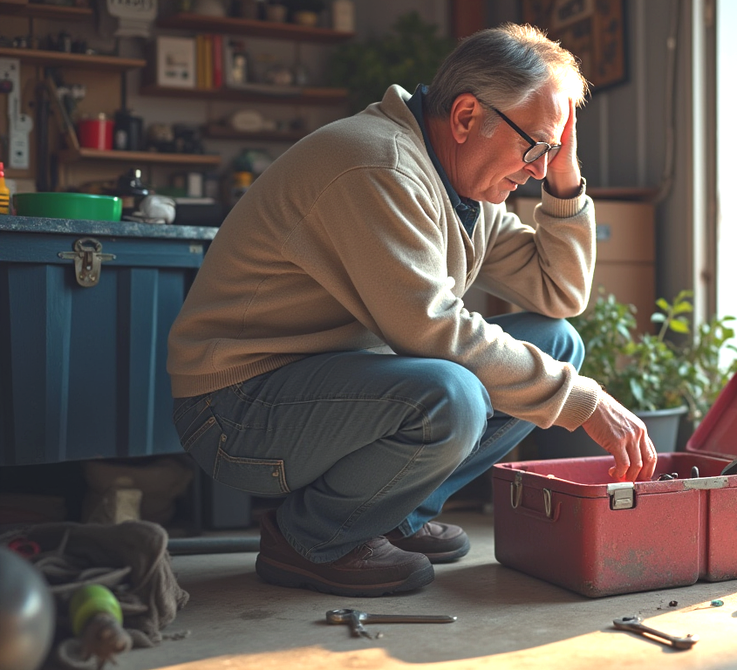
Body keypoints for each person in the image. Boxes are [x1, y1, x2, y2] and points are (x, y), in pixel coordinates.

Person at [166, 24, 658, 598]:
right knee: (452, 395)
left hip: (322, 384)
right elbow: (433, 330)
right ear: (468, 116)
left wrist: (567, 173)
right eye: (536, 147)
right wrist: (584, 401)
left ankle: (392, 516)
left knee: (557, 342)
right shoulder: (380, 167)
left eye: (550, 150)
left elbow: (559, 293)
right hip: (234, 409)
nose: (538, 169)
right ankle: (311, 538)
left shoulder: (462, 187)